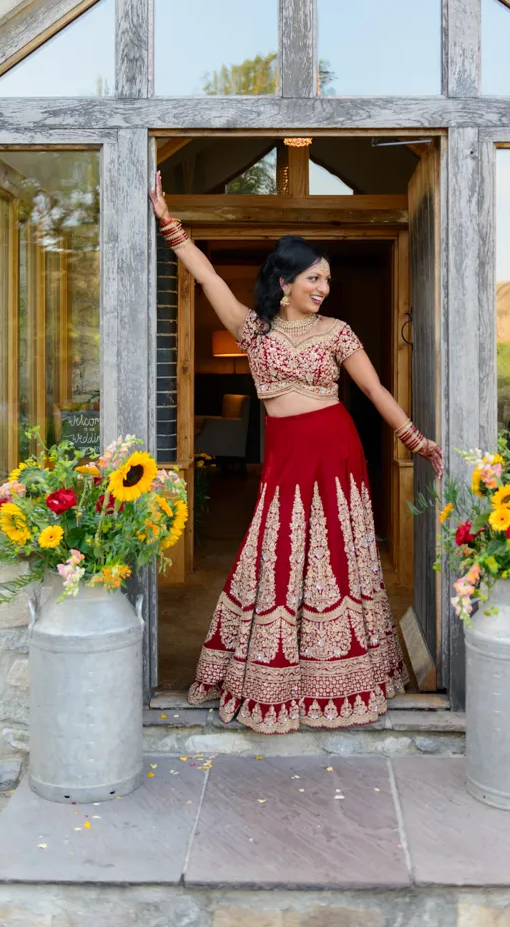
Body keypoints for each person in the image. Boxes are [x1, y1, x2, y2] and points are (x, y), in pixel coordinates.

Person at [150, 172, 443, 735]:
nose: (323, 287)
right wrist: (169, 221)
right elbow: (207, 276)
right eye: (314, 277)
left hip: (335, 452)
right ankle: (276, 678)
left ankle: (342, 679)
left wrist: (415, 438)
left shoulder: (338, 332)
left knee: (334, 559)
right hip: (285, 457)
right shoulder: (252, 331)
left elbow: (377, 389)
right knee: (279, 557)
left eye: (327, 279)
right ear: (284, 281)